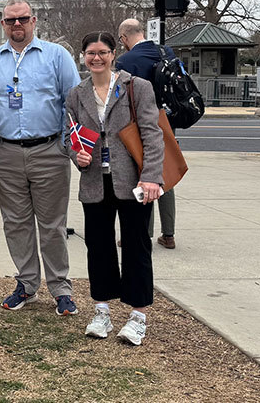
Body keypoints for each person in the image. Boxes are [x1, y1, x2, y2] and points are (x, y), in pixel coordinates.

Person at [0, 0, 81, 315]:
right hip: (5, 153)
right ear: (3, 24)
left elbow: (73, 103)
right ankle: (26, 283)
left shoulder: (56, 56)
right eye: (11, 20)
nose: (17, 25)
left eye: (23, 18)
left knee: (53, 225)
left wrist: (65, 145)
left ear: (34, 21)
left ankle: (60, 287)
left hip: (49, 151)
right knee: (16, 223)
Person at [66, 31, 164, 346]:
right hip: (95, 180)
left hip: (133, 179)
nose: (96, 58)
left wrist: (151, 176)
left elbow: (152, 134)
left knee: (136, 246)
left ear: (113, 54)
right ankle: (102, 310)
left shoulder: (137, 87)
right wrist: (77, 155)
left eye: (103, 52)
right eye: (91, 53)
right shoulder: (76, 94)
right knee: (99, 246)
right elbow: (69, 135)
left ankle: (138, 315)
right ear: (83, 56)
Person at [114, 18, 178, 249]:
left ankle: (143, 231)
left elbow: (120, 96)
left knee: (143, 174)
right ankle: (168, 234)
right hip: (166, 121)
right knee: (164, 174)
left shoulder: (126, 61)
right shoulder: (166, 52)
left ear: (124, 38)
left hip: (138, 125)